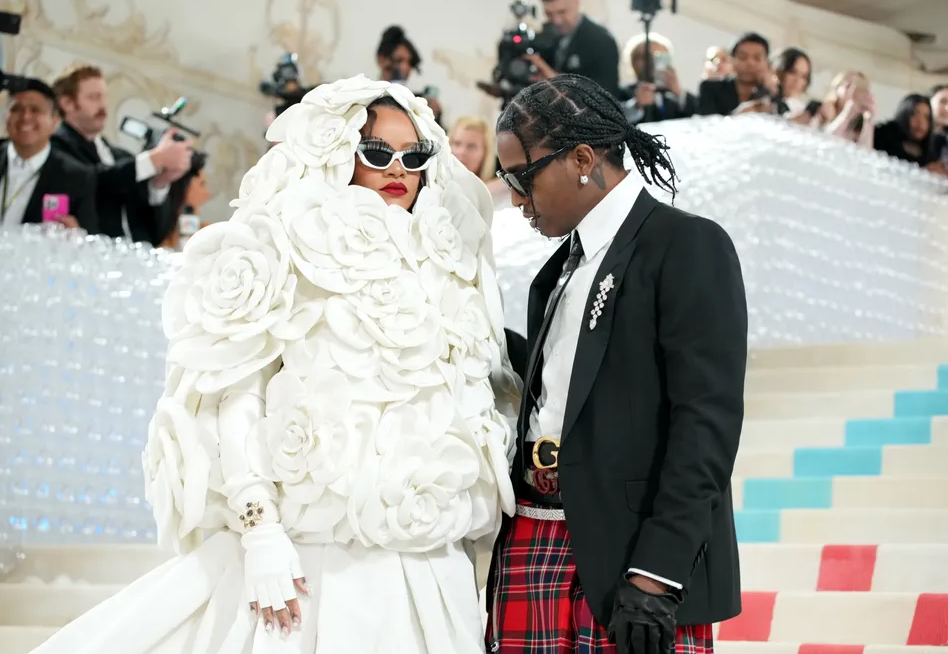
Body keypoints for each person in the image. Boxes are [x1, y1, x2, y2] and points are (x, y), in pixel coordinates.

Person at [28, 75, 520, 654]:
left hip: (426, 556)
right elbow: (239, 392)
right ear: (337, 151)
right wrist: (259, 528)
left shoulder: (450, 263)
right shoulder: (289, 246)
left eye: (415, 156)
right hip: (315, 555)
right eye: (376, 151)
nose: (398, 169)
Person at [486, 73, 746, 654]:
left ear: (582, 159)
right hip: (533, 536)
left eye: (523, 178)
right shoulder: (557, 269)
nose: (517, 200)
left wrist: (658, 572)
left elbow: (706, 423)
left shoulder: (686, 244)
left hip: (633, 558)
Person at [50, 64, 193, 245]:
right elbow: (92, 180)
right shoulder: (56, 148)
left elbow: (153, 231)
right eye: (94, 97)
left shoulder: (121, 157)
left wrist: (159, 183)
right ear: (67, 103)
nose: (103, 105)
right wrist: (155, 160)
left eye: (104, 97)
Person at [0, 77, 96, 232]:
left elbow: (90, 237)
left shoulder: (76, 178)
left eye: (35, 110)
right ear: (6, 117)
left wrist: (76, 236)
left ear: (54, 122)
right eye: (16, 109)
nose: (25, 117)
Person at [698, 32, 783, 116]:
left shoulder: (773, 91)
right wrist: (737, 115)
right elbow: (705, 121)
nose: (750, 63)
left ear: (767, 63)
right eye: (743, 57)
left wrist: (773, 91)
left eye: (757, 58)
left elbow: (785, 119)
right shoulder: (710, 88)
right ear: (732, 60)